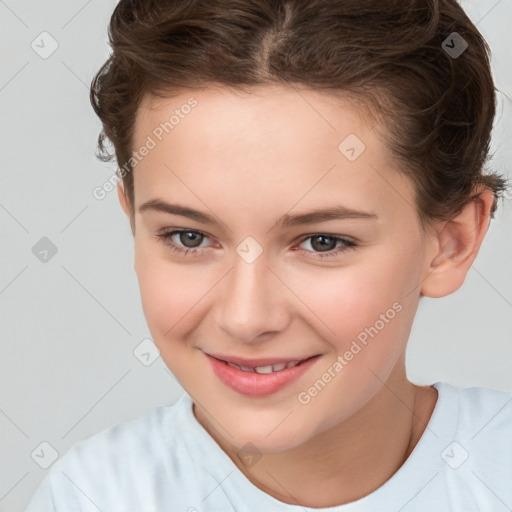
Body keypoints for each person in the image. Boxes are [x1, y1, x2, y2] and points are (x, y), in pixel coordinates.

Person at [26, 0, 511, 510]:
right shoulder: (95, 496)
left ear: (451, 242)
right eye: (189, 237)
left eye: (323, 242)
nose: (246, 318)